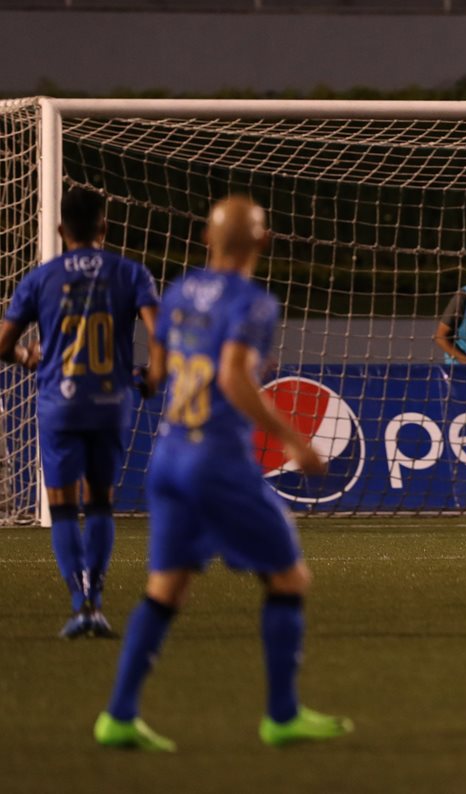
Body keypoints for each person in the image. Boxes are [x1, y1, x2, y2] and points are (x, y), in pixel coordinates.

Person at [93, 196, 352, 752]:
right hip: (217, 460)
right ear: (263, 242)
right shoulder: (254, 303)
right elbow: (234, 377)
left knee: (167, 587)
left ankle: (118, 714)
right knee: (289, 578)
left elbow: (159, 369)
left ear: (206, 240)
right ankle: (281, 715)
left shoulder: (182, 289)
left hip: (168, 455)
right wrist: (293, 441)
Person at [0, 186, 159, 639]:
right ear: (104, 227)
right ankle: (100, 600)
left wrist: (29, 357)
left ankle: (80, 606)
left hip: (59, 405)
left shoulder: (41, 278)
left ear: (58, 229)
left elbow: (3, 345)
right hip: (112, 403)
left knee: (64, 508)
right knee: (101, 503)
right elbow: (161, 333)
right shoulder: (131, 274)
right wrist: (153, 376)